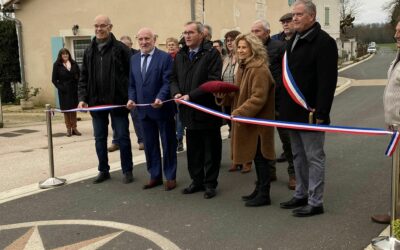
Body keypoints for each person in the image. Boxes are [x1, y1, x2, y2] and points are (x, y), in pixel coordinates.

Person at [279, 0, 338, 217]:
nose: (293, 18)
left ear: (312, 16)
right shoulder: (293, 38)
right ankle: (301, 194)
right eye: (293, 14)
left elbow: (327, 81)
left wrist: (322, 112)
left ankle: (315, 201)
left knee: (314, 157)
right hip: (291, 112)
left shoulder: (324, 42)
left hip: (311, 112)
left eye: (299, 14)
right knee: (297, 155)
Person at [215, 33, 275, 207]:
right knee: (255, 157)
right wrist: (224, 97)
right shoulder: (244, 67)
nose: (240, 50)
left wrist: (240, 112)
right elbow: (239, 93)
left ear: (253, 49)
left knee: (261, 157)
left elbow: (258, 97)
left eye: (244, 47)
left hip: (258, 123)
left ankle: (264, 194)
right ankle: (259, 189)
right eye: (238, 47)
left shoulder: (258, 68)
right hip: (249, 122)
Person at [78, 15, 133, 184]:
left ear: (110, 27)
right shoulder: (89, 51)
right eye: (96, 26)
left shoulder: (121, 49)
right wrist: (82, 98)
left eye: (103, 25)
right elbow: (83, 77)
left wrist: (131, 97)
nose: (99, 29)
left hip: (118, 101)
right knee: (100, 138)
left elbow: (132, 75)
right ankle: (103, 170)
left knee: (122, 137)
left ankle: (127, 170)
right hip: (96, 102)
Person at [170, 21, 223, 199]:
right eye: (185, 32)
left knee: (211, 150)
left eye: (191, 32)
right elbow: (173, 78)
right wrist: (176, 92)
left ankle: (210, 184)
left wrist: (191, 96)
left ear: (201, 35)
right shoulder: (180, 55)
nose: (187, 36)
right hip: (187, 112)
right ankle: (197, 181)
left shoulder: (211, 54)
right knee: (193, 150)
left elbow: (213, 81)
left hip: (207, 110)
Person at [127, 28, 177, 191]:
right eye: (140, 39)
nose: (143, 42)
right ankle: (154, 175)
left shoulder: (165, 58)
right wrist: (131, 98)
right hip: (143, 111)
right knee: (150, 145)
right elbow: (133, 84)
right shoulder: (134, 59)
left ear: (154, 39)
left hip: (162, 109)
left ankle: (170, 176)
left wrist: (161, 97)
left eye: (147, 39)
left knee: (168, 143)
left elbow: (167, 81)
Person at [251, 19, 296, 190]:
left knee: (287, 140)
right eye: (252, 31)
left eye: (258, 31)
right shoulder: (250, 50)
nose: (254, 34)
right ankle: (269, 172)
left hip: (279, 101)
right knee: (263, 140)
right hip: (261, 102)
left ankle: (294, 174)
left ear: (267, 32)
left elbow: (288, 73)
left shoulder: (279, 47)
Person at [371, 20, 400, 224]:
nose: (396, 35)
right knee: (397, 174)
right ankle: (396, 214)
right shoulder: (398, 57)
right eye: (396, 31)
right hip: (395, 126)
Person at [108, 35, 145, 153]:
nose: (124, 48)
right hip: (118, 94)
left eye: (127, 45)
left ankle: (142, 140)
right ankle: (116, 141)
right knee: (116, 119)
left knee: (136, 117)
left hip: (133, 92)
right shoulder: (114, 55)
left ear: (131, 45)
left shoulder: (137, 56)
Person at [220, 30, 244, 172]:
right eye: (227, 40)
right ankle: (235, 159)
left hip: (240, 99)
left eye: (232, 39)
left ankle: (245, 160)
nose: (229, 42)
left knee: (241, 131)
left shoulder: (243, 58)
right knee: (232, 130)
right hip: (228, 100)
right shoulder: (226, 59)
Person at [52, 48, 81, 137]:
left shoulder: (74, 63)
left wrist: (77, 84)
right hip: (64, 91)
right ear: (60, 55)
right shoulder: (57, 65)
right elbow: (54, 80)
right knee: (66, 110)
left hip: (73, 90)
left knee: (73, 110)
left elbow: (79, 75)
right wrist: (61, 88)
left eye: (67, 54)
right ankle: (68, 128)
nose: (65, 55)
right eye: (63, 54)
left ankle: (74, 128)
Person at [166, 37, 185, 152]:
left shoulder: (180, 58)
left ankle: (179, 139)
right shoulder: (164, 59)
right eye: (169, 45)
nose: (171, 47)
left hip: (177, 92)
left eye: (173, 45)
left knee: (179, 118)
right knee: (170, 118)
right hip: (167, 93)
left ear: (177, 47)